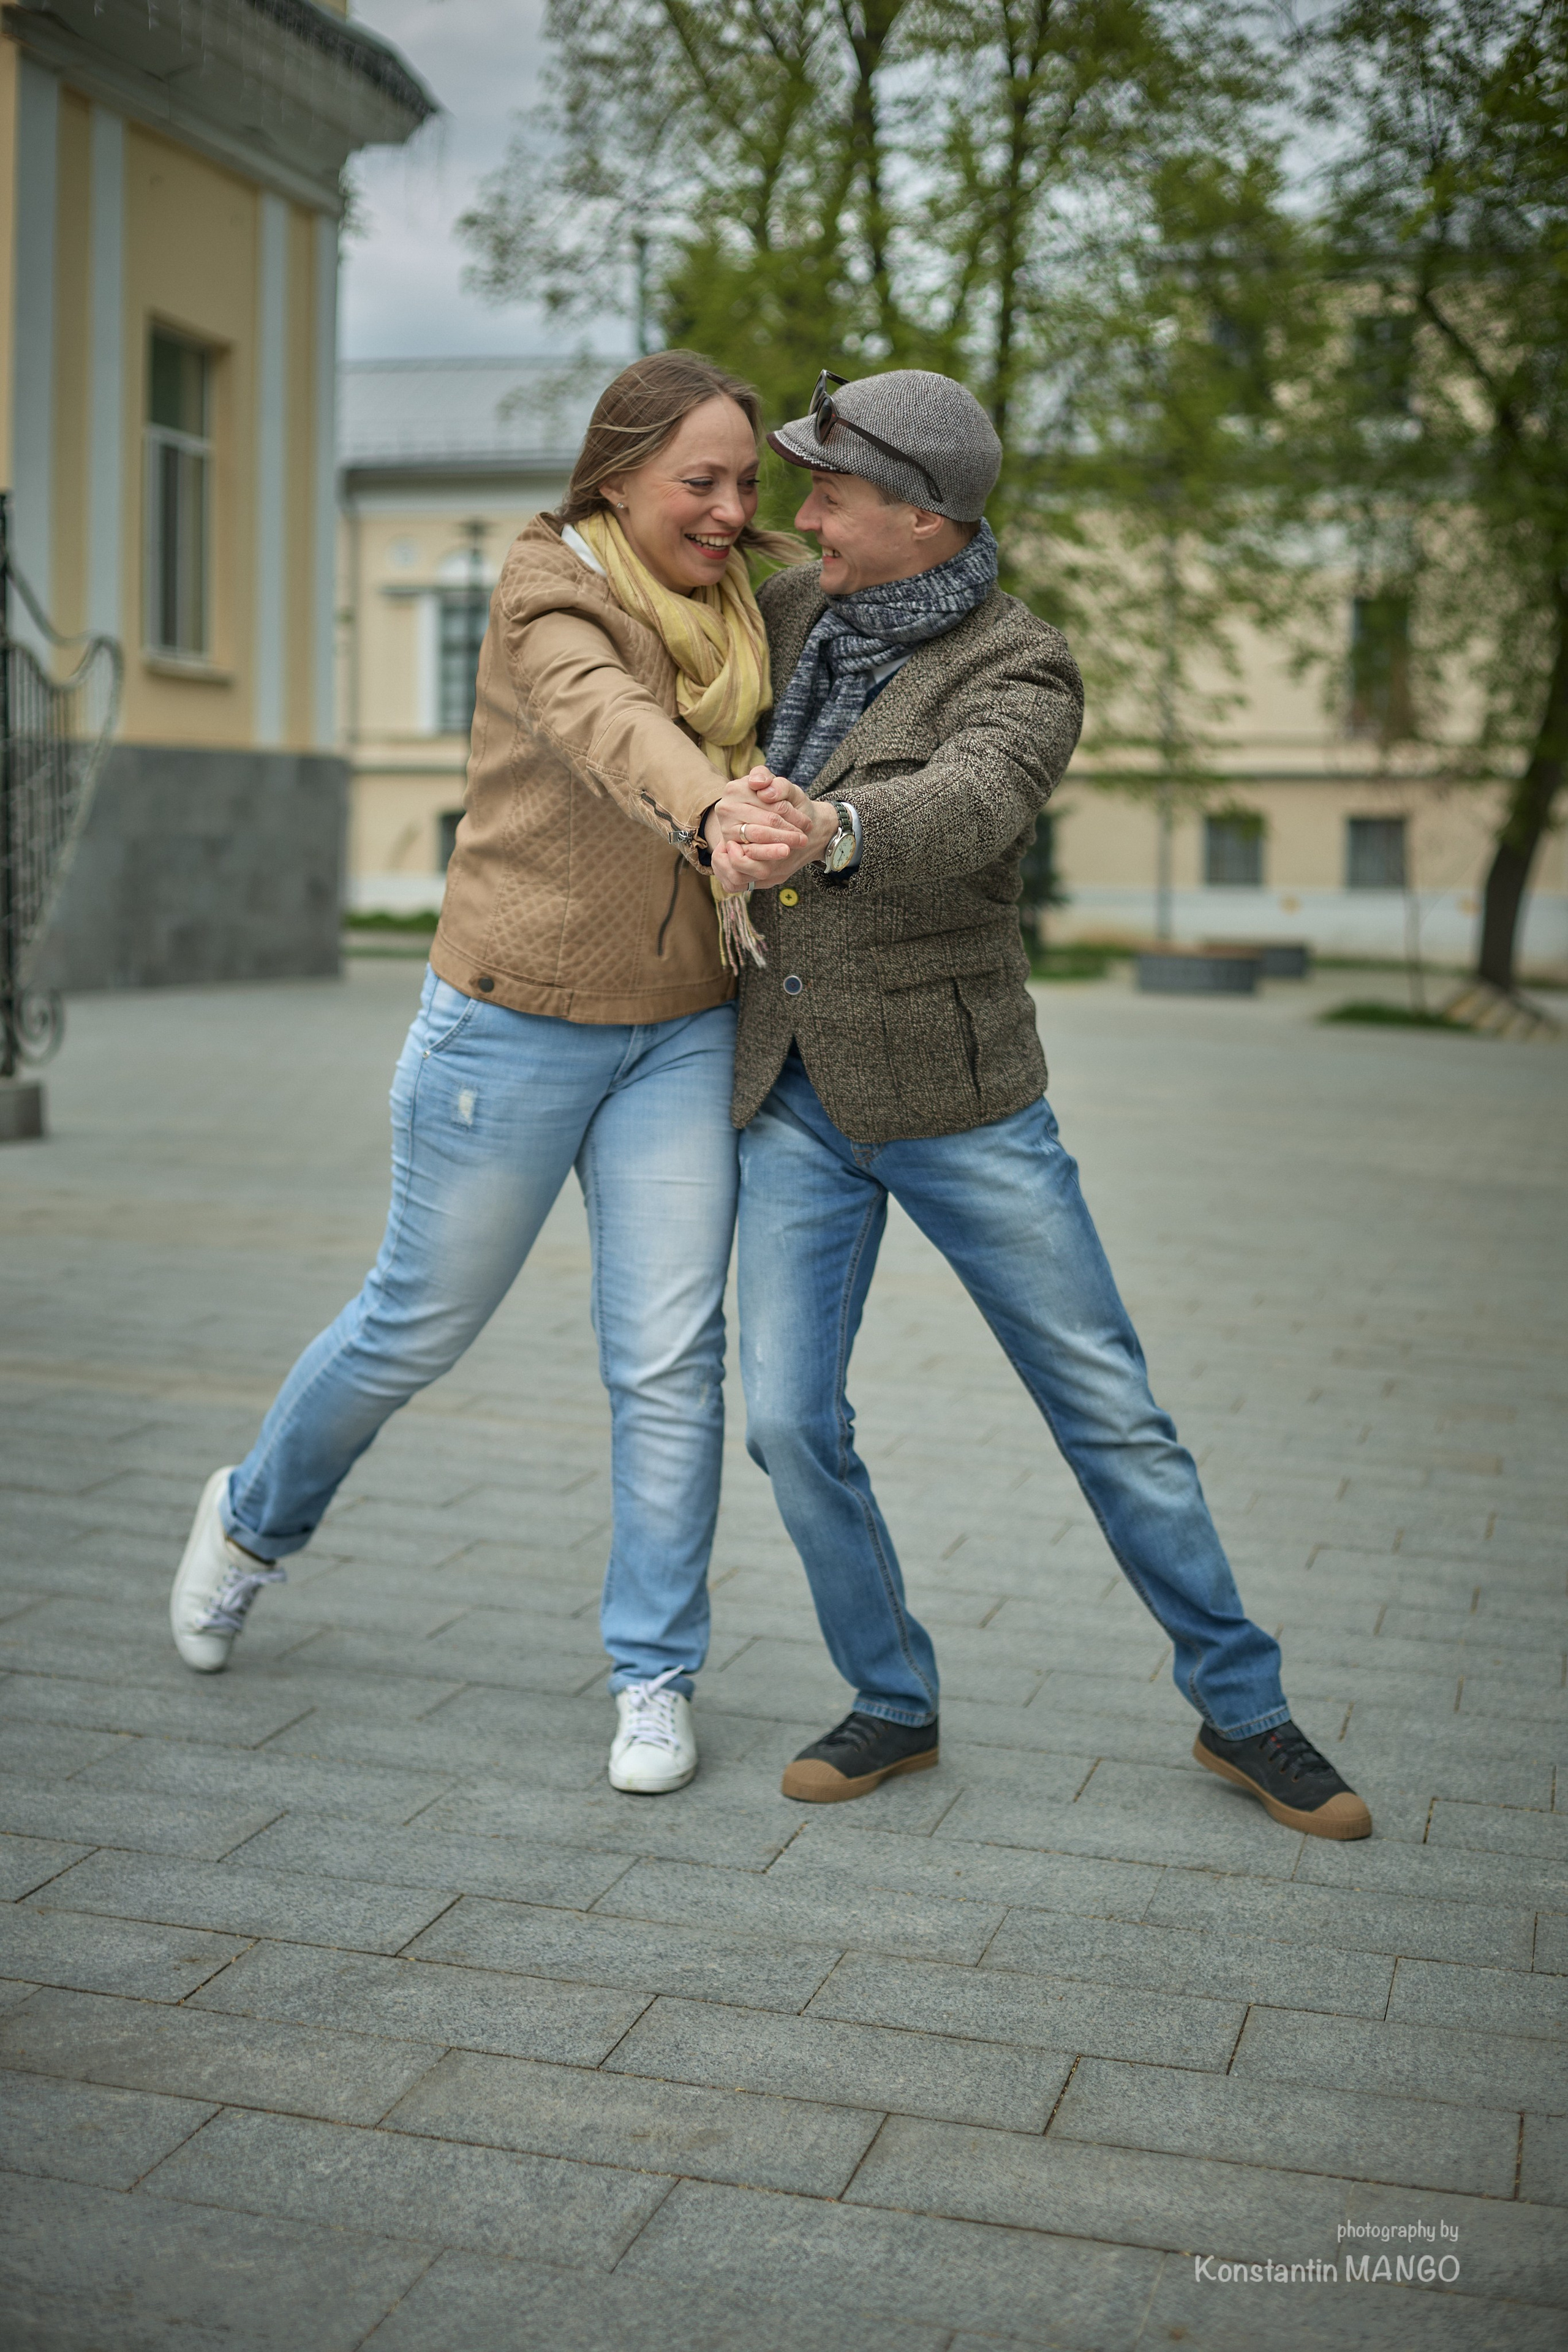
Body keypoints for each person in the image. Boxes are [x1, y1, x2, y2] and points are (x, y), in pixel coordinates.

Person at [709, 366, 1372, 1841]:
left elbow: (969, 806)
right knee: (788, 1422)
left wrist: (828, 827)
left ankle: (1243, 1710)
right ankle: (889, 1697)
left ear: (922, 516)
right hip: (792, 1087)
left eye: (829, 489)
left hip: (960, 1100)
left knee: (1107, 1410)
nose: (798, 510)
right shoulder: (791, 613)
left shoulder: (1021, 666)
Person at [167, 352, 809, 1798]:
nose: (725, 509)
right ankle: (250, 1521)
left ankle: (653, 1673)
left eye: (743, 482)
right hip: (510, 1021)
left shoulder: (743, 611)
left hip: (683, 1023)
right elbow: (606, 720)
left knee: (666, 1358)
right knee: (414, 1324)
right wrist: (716, 807)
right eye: (695, 481)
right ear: (615, 477)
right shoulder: (545, 589)